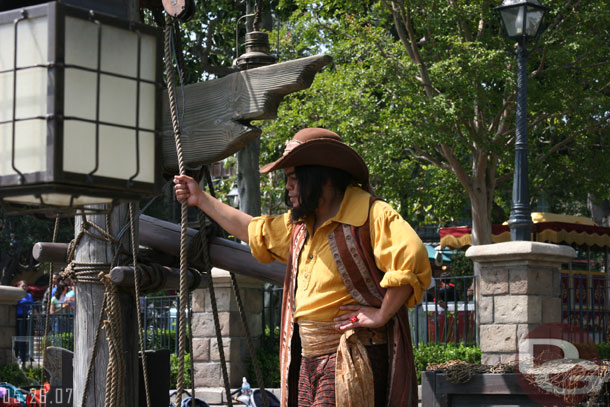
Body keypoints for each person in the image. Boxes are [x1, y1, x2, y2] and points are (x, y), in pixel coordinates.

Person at [174, 128, 431, 407]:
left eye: (294, 178)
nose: (288, 187)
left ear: (323, 178)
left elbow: (411, 256)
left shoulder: (371, 213)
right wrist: (200, 198)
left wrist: (381, 315)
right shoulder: (299, 226)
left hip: (351, 356)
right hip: (308, 358)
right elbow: (254, 231)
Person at [15, 280, 34, 363]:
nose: (24, 287)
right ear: (18, 287)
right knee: (19, 336)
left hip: (27, 318)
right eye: (22, 286)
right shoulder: (16, 295)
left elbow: (32, 305)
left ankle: (26, 355)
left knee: (27, 336)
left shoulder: (29, 295)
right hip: (19, 318)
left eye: (25, 286)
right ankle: (18, 355)